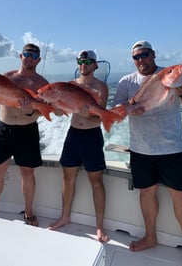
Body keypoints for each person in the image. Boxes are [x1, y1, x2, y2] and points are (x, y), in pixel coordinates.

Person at [113, 40, 182, 265]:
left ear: (153, 54)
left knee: (180, 195)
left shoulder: (171, 75)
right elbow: (118, 109)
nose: (140, 60)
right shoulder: (126, 82)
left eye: (144, 54)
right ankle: (150, 236)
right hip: (141, 149)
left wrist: (181, 90)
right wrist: (130, 108)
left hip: (171, 148)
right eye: (136, 57)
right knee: (146, 193)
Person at [0, 43, 49, 226]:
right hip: (4, 129)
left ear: (39, 59)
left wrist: (31, 112)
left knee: (28, 173)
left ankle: (29, 213)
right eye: (27, 54)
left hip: (27, 131)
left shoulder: (43, 84)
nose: (30, 58)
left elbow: (46, 109)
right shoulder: (6, 77)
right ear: (20, 56)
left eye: (33, 55)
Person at [49, 50, 109, 242]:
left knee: (97, 182)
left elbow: (100, 114)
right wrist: (57, 109)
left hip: (92, 136)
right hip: (73, 135)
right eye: (81, 61)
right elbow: (60, 113)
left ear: (95, 65)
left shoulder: (101, 87)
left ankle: (100, 227)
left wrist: (86, 113)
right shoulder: (69, 86)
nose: (84, 64)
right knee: (67, 179)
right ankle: (65, 217)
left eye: (89, 61)